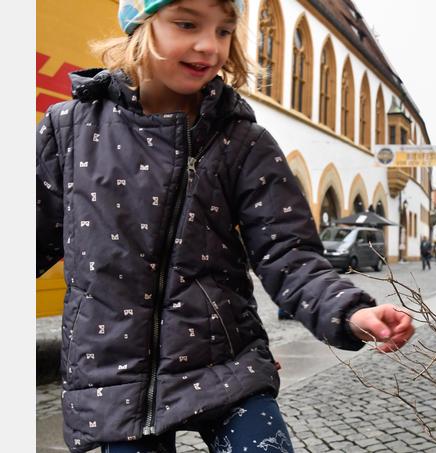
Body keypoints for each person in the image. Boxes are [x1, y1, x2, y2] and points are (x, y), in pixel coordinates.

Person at [35, 1, 415, 451]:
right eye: (187, 24)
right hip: (114, 381)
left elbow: (289, 254)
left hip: (228, 366)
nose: (208, 45)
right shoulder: (70, 130)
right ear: (139, 24)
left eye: (223, 31)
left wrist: (348, 311)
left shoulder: (243, 141)